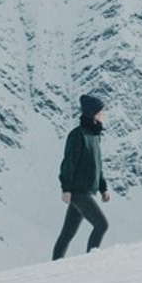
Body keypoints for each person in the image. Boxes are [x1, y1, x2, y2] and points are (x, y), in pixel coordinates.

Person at [52, 94, 112, 260]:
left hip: (87, 191)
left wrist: (103, 187)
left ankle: (54, 265)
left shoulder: (95, 136)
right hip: (79, 192)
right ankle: (90, 262)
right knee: (101, 225)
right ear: (92, 114)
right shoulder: (77, 135)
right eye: (101, 112)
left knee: (68, 233)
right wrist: (66, 189)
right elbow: (68, 164)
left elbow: (97, 166)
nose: (104, 115)